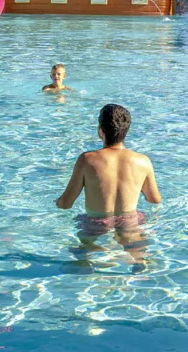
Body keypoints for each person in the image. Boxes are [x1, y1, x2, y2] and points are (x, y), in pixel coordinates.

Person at [55, 104, 161, 264]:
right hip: (129, 221)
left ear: (101, 131)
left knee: (83, 250)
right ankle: (140, 264)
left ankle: (84, 262)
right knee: (137, 251)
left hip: (95, 222)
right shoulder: (142, 161)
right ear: (126, 131)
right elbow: (154, 199)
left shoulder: (87, 159)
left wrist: (57, 202)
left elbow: (66, 204)